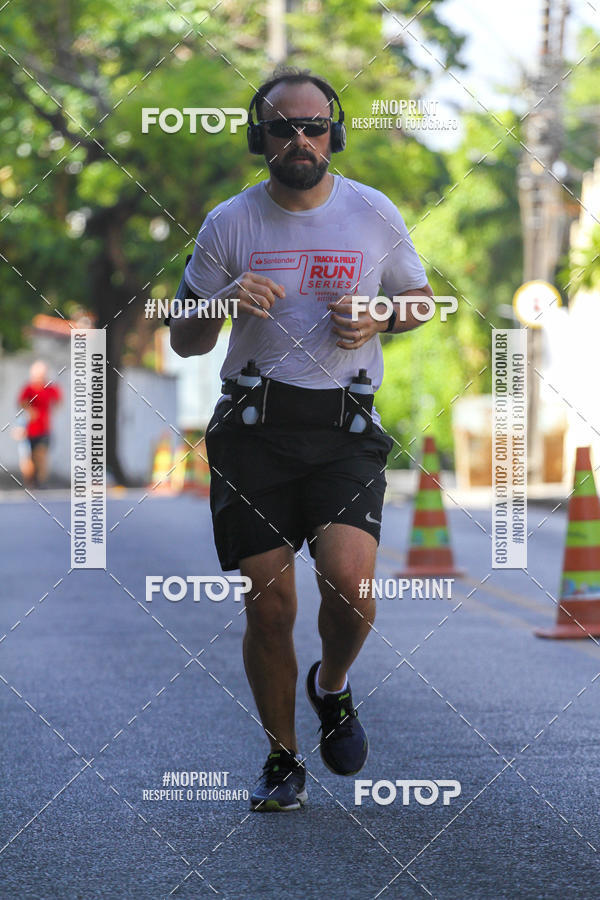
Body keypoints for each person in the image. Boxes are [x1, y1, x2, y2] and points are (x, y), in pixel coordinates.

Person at [169, 67, 433, 811]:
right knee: (271, 607)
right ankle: (283, 759)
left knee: (351, 589)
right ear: (263, 136)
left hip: (344, 425)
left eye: (314, 126)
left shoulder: (373, 212)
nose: (301, 139)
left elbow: (420, 301)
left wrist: (383, 317)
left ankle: (333, 686)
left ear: (334, 133)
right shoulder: (229, 223)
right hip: (253, 429)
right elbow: (185, 340)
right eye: (283, 126)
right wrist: (221, 301)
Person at [17, 361, 62, 487]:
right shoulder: (28, 388)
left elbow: (58, 401)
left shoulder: (50, 388)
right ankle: (30, 481)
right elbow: (21, 402)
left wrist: (53, 413)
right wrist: (30, 411)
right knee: (28, 459)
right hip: (29, 428)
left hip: (44, 428)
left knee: (41, 455)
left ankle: (40, 482)